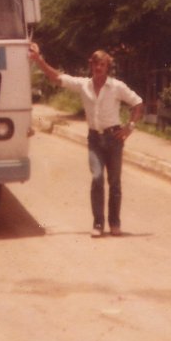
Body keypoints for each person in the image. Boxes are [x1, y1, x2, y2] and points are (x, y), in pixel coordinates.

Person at [29, 44, 144, 237]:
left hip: (114, 138)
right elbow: (56, 77)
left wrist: (129, 127)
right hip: (94, 139)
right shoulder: (83, 85)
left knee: (114, 182)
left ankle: (114, 223)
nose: (99, 68)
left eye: (103, 65)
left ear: (108, 67)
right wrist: (39, 60)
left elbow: (138, 103)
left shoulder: (117, 87)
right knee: (97, 178)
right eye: (96, 64)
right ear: (91, 66)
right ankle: (98, 224)